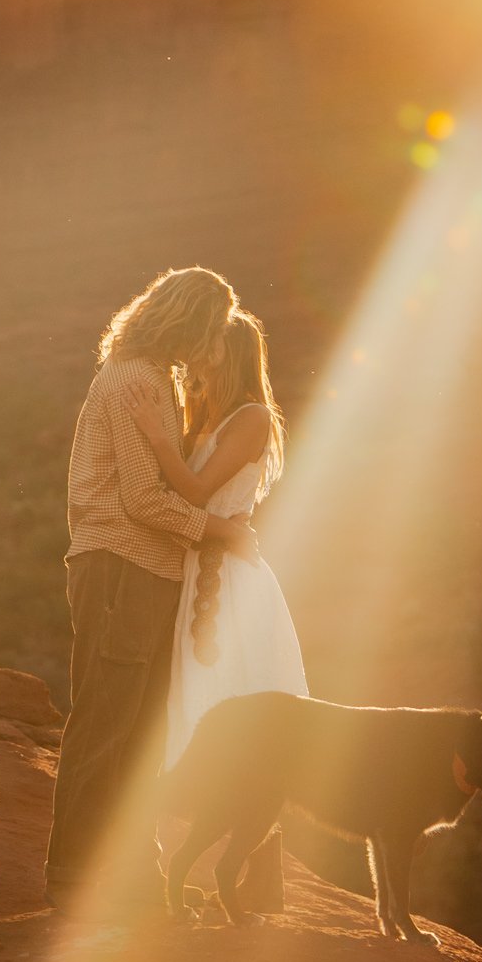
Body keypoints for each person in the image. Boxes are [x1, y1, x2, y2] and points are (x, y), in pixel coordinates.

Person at [43, 266, 259, 914]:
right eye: (211, 330)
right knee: (106, 729)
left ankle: (130, 876)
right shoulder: (137, 378)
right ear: (190, 320)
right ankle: (73, 880)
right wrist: (219, 530)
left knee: (137, 738)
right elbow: (141, 501)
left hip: (143, 573)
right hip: (119, 568)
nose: (213, 346)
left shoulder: (147, 375)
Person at [127, 305, 307, 771]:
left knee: (227, 686)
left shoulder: (252, 418)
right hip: (190, 563)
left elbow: (197, 490)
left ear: (235, 352)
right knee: (186, 690)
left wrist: (155, 435)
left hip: (229, 575)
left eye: (212, 345)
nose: (202, 355)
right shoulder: (205, 411)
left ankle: (248, 822)